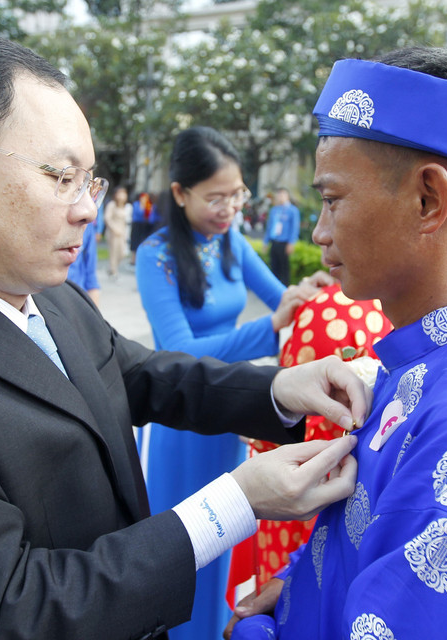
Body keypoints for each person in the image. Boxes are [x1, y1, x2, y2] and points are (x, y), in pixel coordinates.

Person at [0, 32, 372, 640]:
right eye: (59, 175)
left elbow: (139, 374)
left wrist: (281, 389)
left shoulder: (48, 293)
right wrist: (235, 504)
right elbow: (8, 609)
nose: (87, 210)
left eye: (89, 182)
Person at [227, 48, 447, 640]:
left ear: (428, 199)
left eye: (332, 199)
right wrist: (300, 587)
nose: (318, 231)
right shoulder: (421, 364)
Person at [134, 125, 333, 640]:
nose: (228, 209)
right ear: (180, 194)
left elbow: (280, 297)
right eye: (216, 197)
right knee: (182, 541)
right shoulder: (155, 256)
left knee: (221, 532)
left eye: (237, 195)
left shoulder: (231, 243)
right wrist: (267, 329)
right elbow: (176, 353)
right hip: (178, 412)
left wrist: (312, 293)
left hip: (226, 412)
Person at [226, 282, 392, 603]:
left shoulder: (322, 310)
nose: (321, 234)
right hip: (357, 492)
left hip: (304, 480)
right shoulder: (399, 313)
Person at [264, 188, 300, 286]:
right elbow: (269, 226)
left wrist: (291, 243)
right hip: (274, 241)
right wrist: (266, 242)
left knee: (284, 268)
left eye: (282, 195)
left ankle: (284, 288)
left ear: (287, 196)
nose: (280, 197)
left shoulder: (292, 210)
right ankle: (274, 288)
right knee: (274, 266)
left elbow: (294, 228)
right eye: (278, 195)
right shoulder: (274, 210)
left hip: (284, 243)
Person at [104, 186, 131, 277]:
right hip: (113, 233)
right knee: (114, 253)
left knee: (122, 253)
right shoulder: (112, 205)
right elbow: (107, 218)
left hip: (122, 233)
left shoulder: (125, 206)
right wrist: (114, 229)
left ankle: (112, 268)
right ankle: (113, 271)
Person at [130, 190, 153, 265]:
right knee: (135, 241)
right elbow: (139, 213)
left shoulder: (148, 205)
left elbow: (149, 216)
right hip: (136, 224)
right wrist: (142, 206)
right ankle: (133, 259)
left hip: (144, 225)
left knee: (141, 241)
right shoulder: (136, 204)